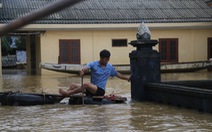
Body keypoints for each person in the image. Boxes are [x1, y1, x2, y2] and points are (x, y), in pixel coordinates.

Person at [59, 49, 131, 97]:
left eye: (108, 59)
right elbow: (86, 67)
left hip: (100, 91)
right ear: (101, 58)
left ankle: (67, 94)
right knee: (73, 85)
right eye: (105, 59)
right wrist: (82, 71)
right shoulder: (94, 64)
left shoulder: (110, 67)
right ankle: (59, 98)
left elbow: (118, 75)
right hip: (91, 89)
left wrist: (128, 78)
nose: (107, 61)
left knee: (86, 84)